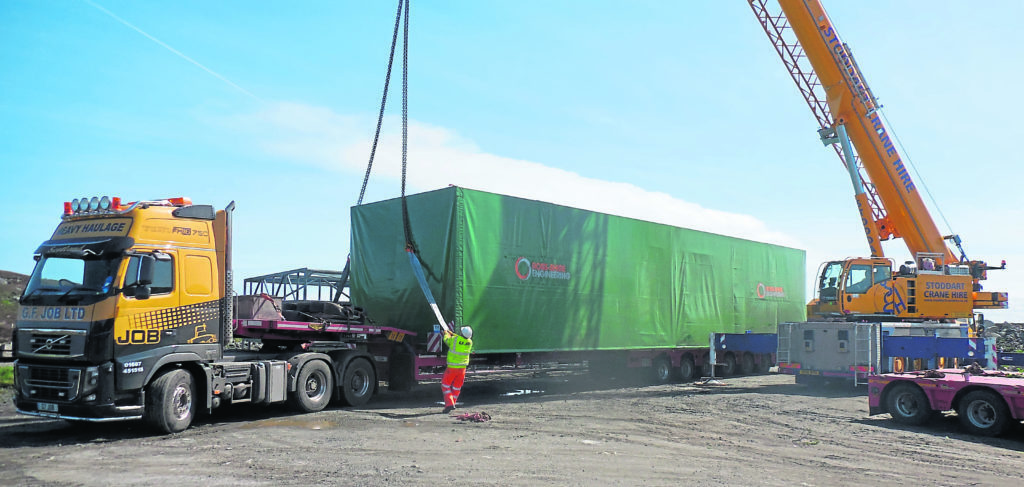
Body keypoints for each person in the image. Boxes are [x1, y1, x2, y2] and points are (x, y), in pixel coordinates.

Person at [441, 325, 473, 414]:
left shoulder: (455, 340)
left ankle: (450, 403)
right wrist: (452, 334)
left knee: (445, 385)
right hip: (462, 369)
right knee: (457, 387)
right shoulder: (470, 342)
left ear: (461, 333)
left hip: (452, 368)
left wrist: (446, 334)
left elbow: (447, 340)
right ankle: (452, 403)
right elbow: (459, 339)